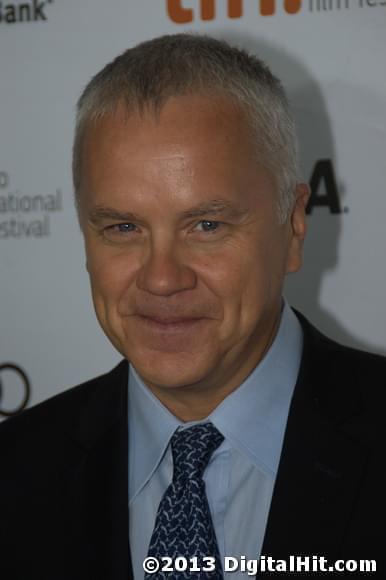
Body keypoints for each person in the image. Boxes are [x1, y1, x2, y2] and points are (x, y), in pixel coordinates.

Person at [0, 33, 385, 580]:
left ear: (294, 225)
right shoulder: (14, 474)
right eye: (123, 227)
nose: (161, 279)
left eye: (206, 225)